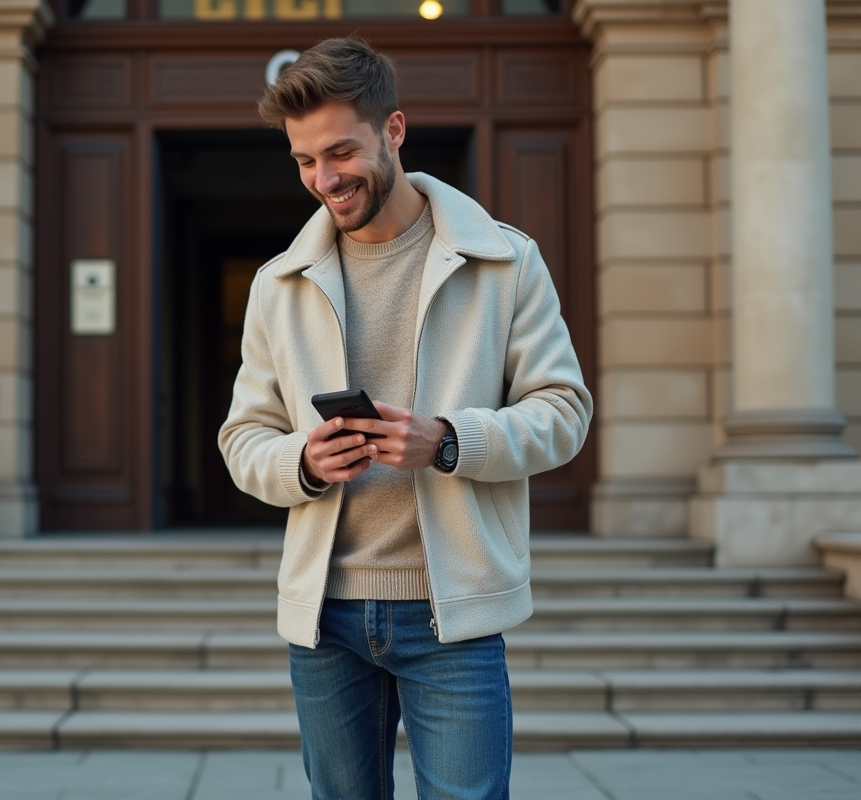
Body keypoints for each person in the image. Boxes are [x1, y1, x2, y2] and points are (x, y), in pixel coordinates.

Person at [218, 37, 592, 800]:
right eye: (303, 162)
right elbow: (242, 437)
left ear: (393, 130)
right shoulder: (277, 285)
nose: (324, 180)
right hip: (325, 620)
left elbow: (564, 412)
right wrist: (303, 462)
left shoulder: (504, 261)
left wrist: (450, 441)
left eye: (340, 153)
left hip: (450, 614)